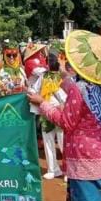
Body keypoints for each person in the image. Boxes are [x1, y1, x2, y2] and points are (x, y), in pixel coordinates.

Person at [28, 30, 101, 201]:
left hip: (86, 163)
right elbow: (86, 99)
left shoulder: (80, 89)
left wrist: (41, 103)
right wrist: (64, 77)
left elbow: (66, 121)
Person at [34, 43, 66, 180]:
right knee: (48, 141)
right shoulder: (43, 76)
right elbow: (35, 89)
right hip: (46, 112)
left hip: (61, 113)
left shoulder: (64, 77)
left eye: (54, 60)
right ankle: (53, 169)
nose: (51, 63)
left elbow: (69, 95)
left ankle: (68, 170)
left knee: (63, 141)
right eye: (49, 60)